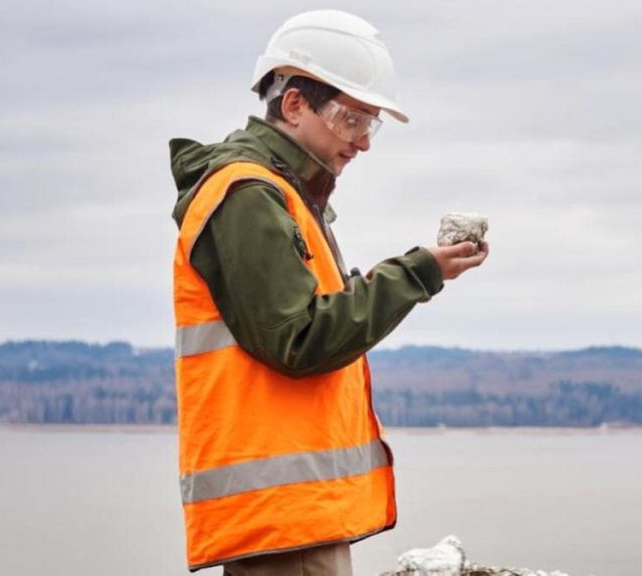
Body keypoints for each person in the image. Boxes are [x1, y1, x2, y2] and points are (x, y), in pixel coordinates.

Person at [168, 10, 488, 575]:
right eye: (351, 119)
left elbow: (300, 322)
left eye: (372, 124)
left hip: (291, 513)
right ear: (293, 104)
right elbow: (300, 338)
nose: (363, 142)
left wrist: (422, 271)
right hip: (279, 519)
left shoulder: (281, 194)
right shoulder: (247, 194)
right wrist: (416, 273)